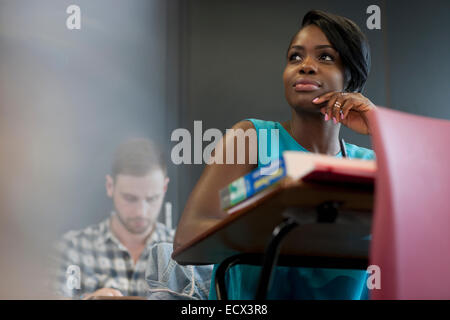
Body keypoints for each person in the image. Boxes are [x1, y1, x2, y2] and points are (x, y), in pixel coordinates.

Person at [174, 10, 376, 299]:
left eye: (325, 57)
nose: (305, 66)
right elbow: (188, 237)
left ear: (352, 79)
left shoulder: (368, 164)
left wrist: (377, 125)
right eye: (295, 57)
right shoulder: (250, 138)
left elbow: (421, 237)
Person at [54, 138, 174, 299]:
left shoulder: (182, 251)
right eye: (130, 198)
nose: (141, 211)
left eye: (152, 199)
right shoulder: (71, 248)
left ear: (164, 188)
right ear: (110, 186)